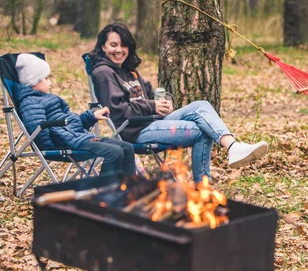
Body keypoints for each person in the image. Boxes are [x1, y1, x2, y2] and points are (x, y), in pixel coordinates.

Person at [88, 23, 268, 183]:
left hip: (152, 121)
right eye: (113, 45)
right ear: (103, 46)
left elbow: (152, 93)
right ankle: (203, 187)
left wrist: (165, 101)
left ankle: (232, 147)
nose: (119, 50)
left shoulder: (129, 71)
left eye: (124, 45)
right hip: (133, 130)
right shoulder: (103, 73)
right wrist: (152, 106)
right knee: (202, 130)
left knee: (202, 105)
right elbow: (117, 110)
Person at [14, 53, 136, 175]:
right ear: (35, 82)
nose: (50, 82)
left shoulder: (48, 98)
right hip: (65, 142)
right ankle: (105, 190)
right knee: (114, 152)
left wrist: (92, 116)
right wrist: (53, 147)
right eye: (46, 78)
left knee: (127, 148)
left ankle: (129, 188)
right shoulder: (30, 102)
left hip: (75, 137)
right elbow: (37, 129)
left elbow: (70, 123)